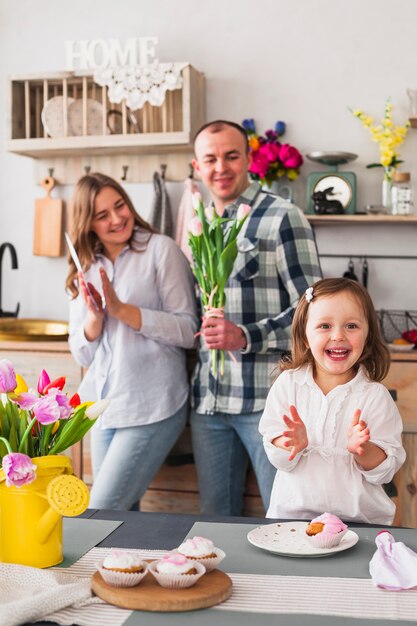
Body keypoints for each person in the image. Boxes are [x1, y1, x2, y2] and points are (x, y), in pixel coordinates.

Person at [190, 120, 322, 516]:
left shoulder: (283, 216)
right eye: (210, 159)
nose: (221, 167)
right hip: (209, 402)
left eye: (231, 156)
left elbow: (313, 309)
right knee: (215, 523)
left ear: (249, 158)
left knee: (286, 517)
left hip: (267, 402)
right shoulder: (198, 225)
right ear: (197, 166)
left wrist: (245, 336)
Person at [66, 173, 198, 510]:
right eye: (102, 215)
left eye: (119, 205)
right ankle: (121, 566)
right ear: (88, 224)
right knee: (124, 519)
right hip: (103, 410)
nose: (116, 218)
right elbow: (81, 353)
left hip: (153, 405)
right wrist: (95, 320)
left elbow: (188, 330)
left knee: (100, 512)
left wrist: (124, 311)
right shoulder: (85, 266)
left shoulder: (160, 250)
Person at [259, 278, 406, 524]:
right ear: (305, 336)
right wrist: (290, 443)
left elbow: (384, 472)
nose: (338, 335)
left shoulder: (375, 396)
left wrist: (364, 450)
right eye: (324, 326)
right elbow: (277, 455)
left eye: (351, 326)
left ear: (368, 334)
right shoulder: (288, 385)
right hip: (293, 521)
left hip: (360, 524)